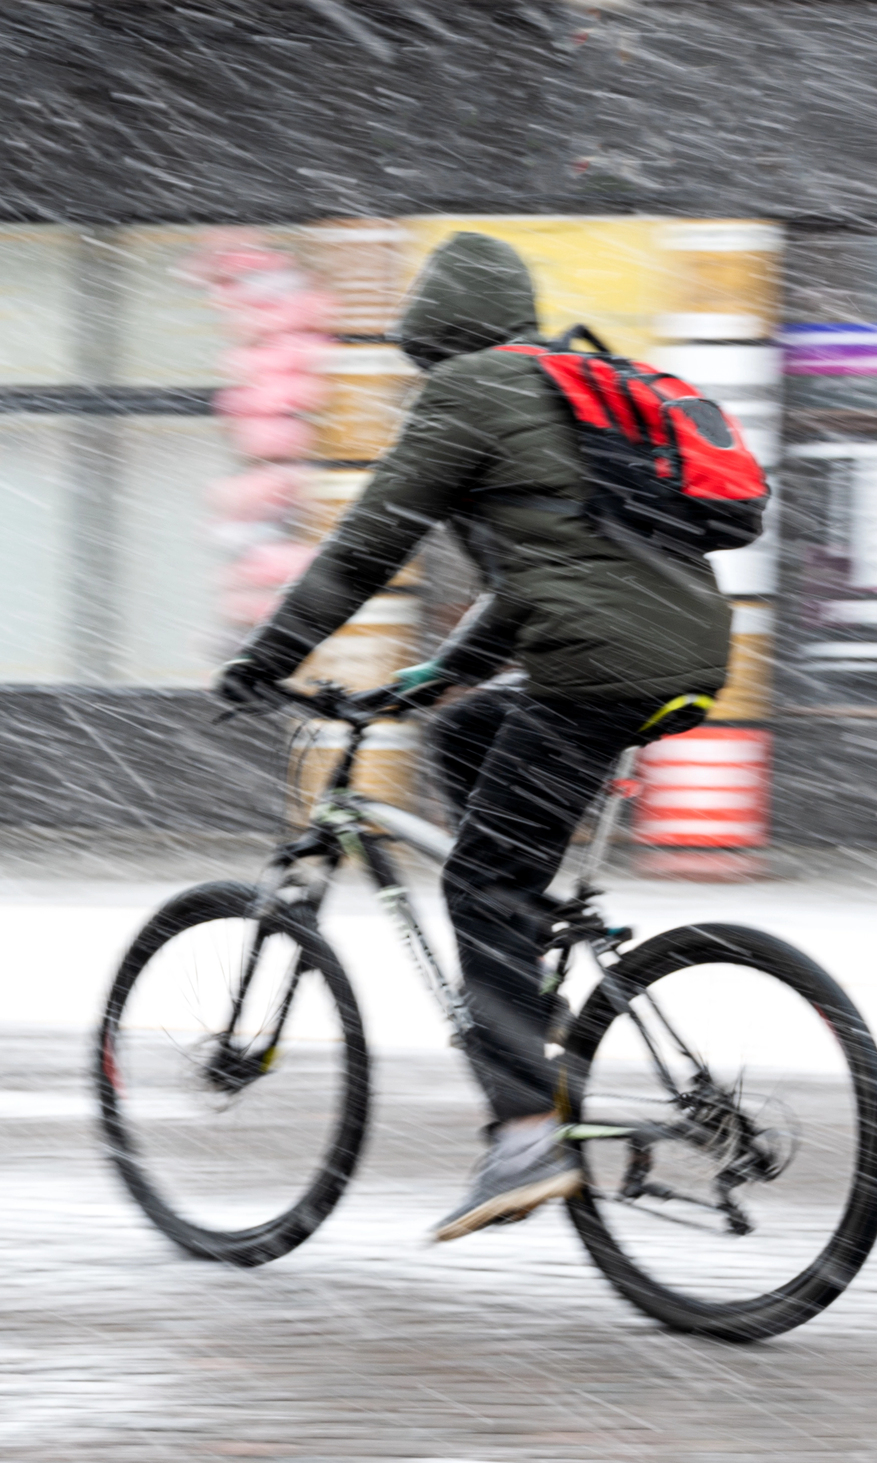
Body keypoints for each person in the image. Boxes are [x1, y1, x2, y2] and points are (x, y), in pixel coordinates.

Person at [214, 233, 737, 1241]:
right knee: (468, 737)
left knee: (475, 884)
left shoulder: (465, 392)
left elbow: (367, 542)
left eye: (422, 358)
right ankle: (524, 982)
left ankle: (524, 1130)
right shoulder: (560, 390)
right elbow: (537, 580)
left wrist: (265, 654)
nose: (420, 377)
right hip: (680, 650)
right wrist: (429, 681)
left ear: (439, 338)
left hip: (594, 665)